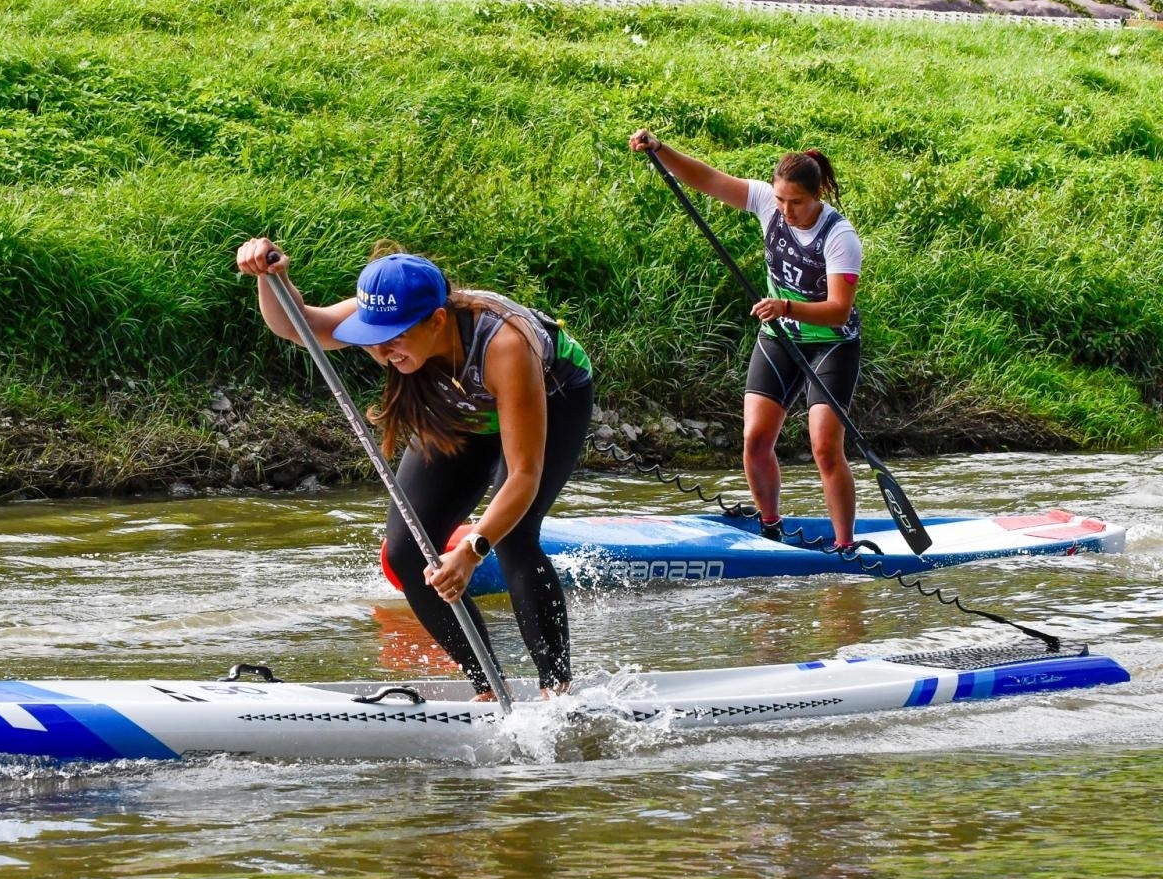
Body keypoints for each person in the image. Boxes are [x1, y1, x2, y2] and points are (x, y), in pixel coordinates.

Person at [235, 237, 594, 698]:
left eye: (396, 337)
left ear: (437, 320)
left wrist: (470, 551)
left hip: (551, 395)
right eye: (374, 336)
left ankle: (556, 691)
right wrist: (272, 278)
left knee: (513, 538)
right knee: (406, 552)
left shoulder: (504, 344)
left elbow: (524, 474)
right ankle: (488, 688)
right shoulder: (388, 323)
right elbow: (299, 325)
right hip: (461, 407)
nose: (383, 350)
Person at [629, 130, 865, 550]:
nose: (786, 210)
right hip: (779, 337)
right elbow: (706, 178)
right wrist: (662, 150)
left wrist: (786, 307)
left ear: (817, 195)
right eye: (780, 200)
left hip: (831, 344)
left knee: (825, 448)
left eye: (796, 202)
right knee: (755, 440)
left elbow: (838, 311)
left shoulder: (840, 237)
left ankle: (846, 547)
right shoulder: (764, 202)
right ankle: (771, 526)